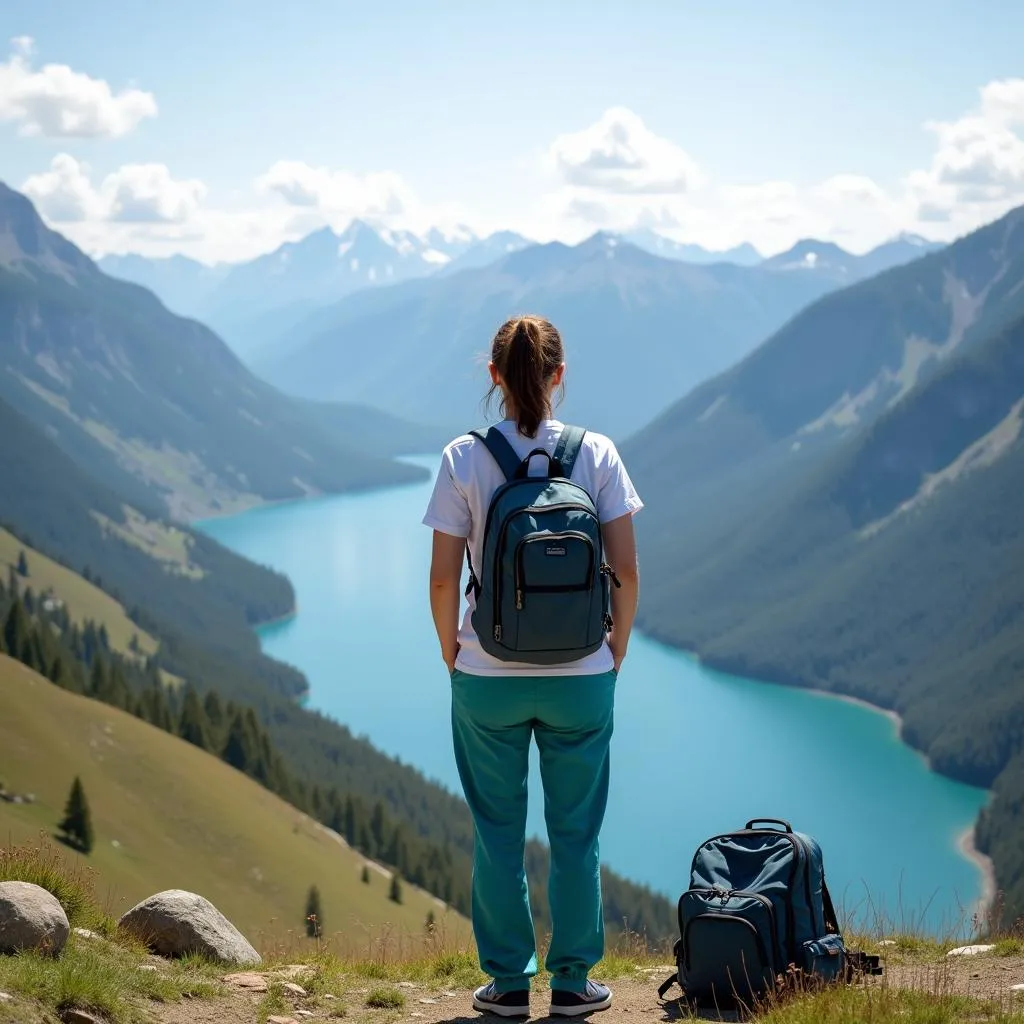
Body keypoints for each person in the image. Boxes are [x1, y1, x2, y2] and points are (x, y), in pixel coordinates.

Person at [422, 315, 642, 1018]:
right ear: (559, 373)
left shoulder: (464, 456)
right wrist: (615, 652)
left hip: (487, 675)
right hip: (583, 676)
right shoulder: (598, 454)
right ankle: (574, 982)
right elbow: (627, 574)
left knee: (497, 830)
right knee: (577, 831)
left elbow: (440, 582)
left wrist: (454, 655)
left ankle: (510, 986)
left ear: (493, 377)